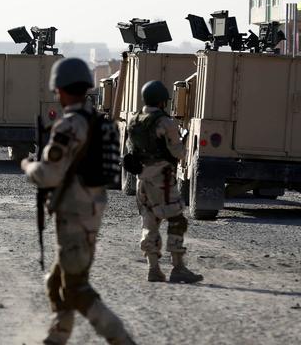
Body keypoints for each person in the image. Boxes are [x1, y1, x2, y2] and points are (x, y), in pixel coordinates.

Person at [21, 58, 135, 345]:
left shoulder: (70, 125)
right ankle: (56, 338)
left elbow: (48, 175)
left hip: (75, 214)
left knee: (75, 289)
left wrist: (27, 167)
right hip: (89, 208)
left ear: (60, 89)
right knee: (55, 282)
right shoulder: (97, 120)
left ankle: (121, 339)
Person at [126, 80, 204, 283]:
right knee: (177, 221)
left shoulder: (134, 120)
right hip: (162, 180)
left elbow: (130, 149)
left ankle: (153, 269)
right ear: (161, 101)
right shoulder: (165, 122)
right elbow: (177, 153)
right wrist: (182, 143)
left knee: (149, 223)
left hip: (142, 180)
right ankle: (178, 268)